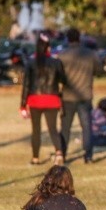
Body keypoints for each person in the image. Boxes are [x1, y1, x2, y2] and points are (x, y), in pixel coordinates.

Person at [20, 32, 66, 165]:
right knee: (52, 128)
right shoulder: (56, 62)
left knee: (36, 130)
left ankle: (35, 157)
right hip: (52, 99)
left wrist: (23, 104)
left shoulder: (31, 62)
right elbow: (63, 79)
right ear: (48, 48)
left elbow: (26, 85)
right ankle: (59, 153)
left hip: (35, 100)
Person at [58, 28, 101, 163]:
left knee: (65, 128)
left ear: (68, 39)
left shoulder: (62, 55)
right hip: (85, 95)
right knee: (87, 127)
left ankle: (62, 154)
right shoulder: (90, 54)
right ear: (79, 38)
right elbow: (99, 70)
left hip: (68, 96)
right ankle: (88, 155)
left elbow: (58, 75)